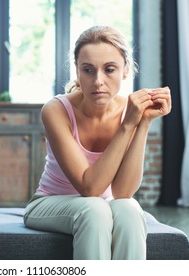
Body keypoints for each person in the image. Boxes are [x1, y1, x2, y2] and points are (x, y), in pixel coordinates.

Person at [23, 26, 172, 260]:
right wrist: (127, 126)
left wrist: (142, 123)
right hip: (49, 203)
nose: (98, 81)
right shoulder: (56, 110)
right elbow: (89, 188)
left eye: (109, 69)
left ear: (125, 71)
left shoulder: (130, 111)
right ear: (77, 71)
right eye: (88, 70)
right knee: (94, 209)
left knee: (130, 209)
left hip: (105, 205)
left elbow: (123, 192)